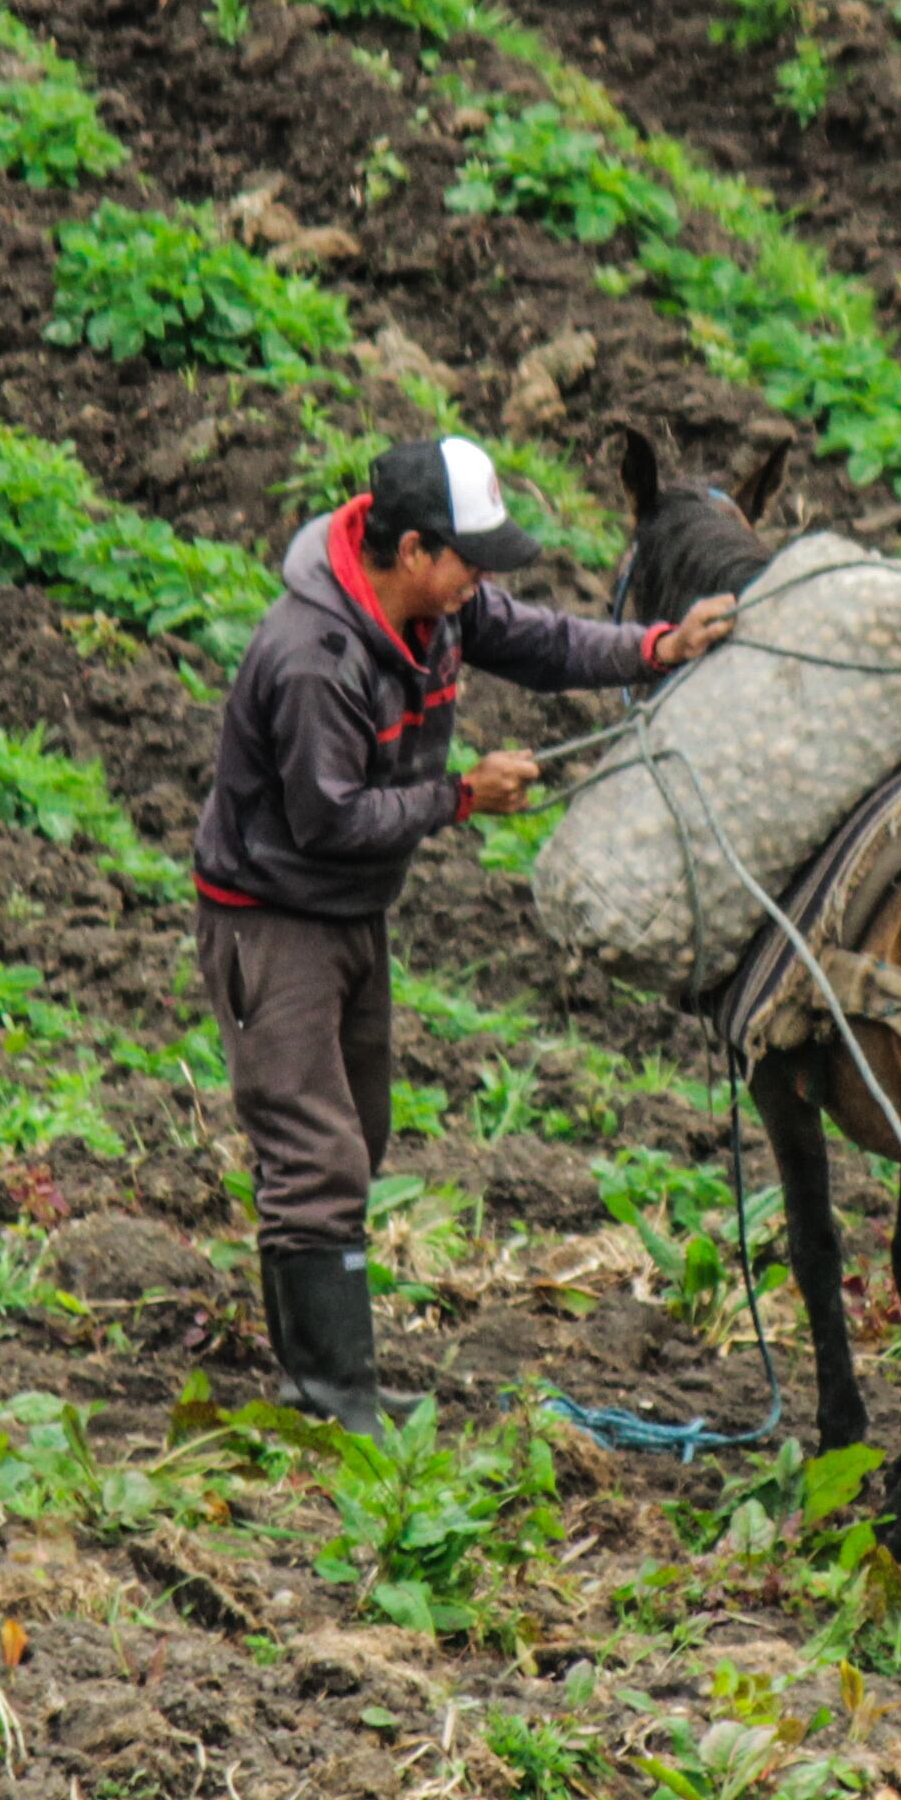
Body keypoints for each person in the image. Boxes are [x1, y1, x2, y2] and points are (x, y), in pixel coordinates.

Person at [192, 435, 735, 1427]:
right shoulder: (318, 658)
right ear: (409, 550)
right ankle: (327, 1400)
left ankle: (329, 1383)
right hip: (275, 920)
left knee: (359, 1134)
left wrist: (657, 646)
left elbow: (539, 640)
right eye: (468, 559)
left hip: (351, 912)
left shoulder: (438, 607)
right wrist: (463, 797)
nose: (481, 580)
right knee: (315, 1152)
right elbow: (329, 820)